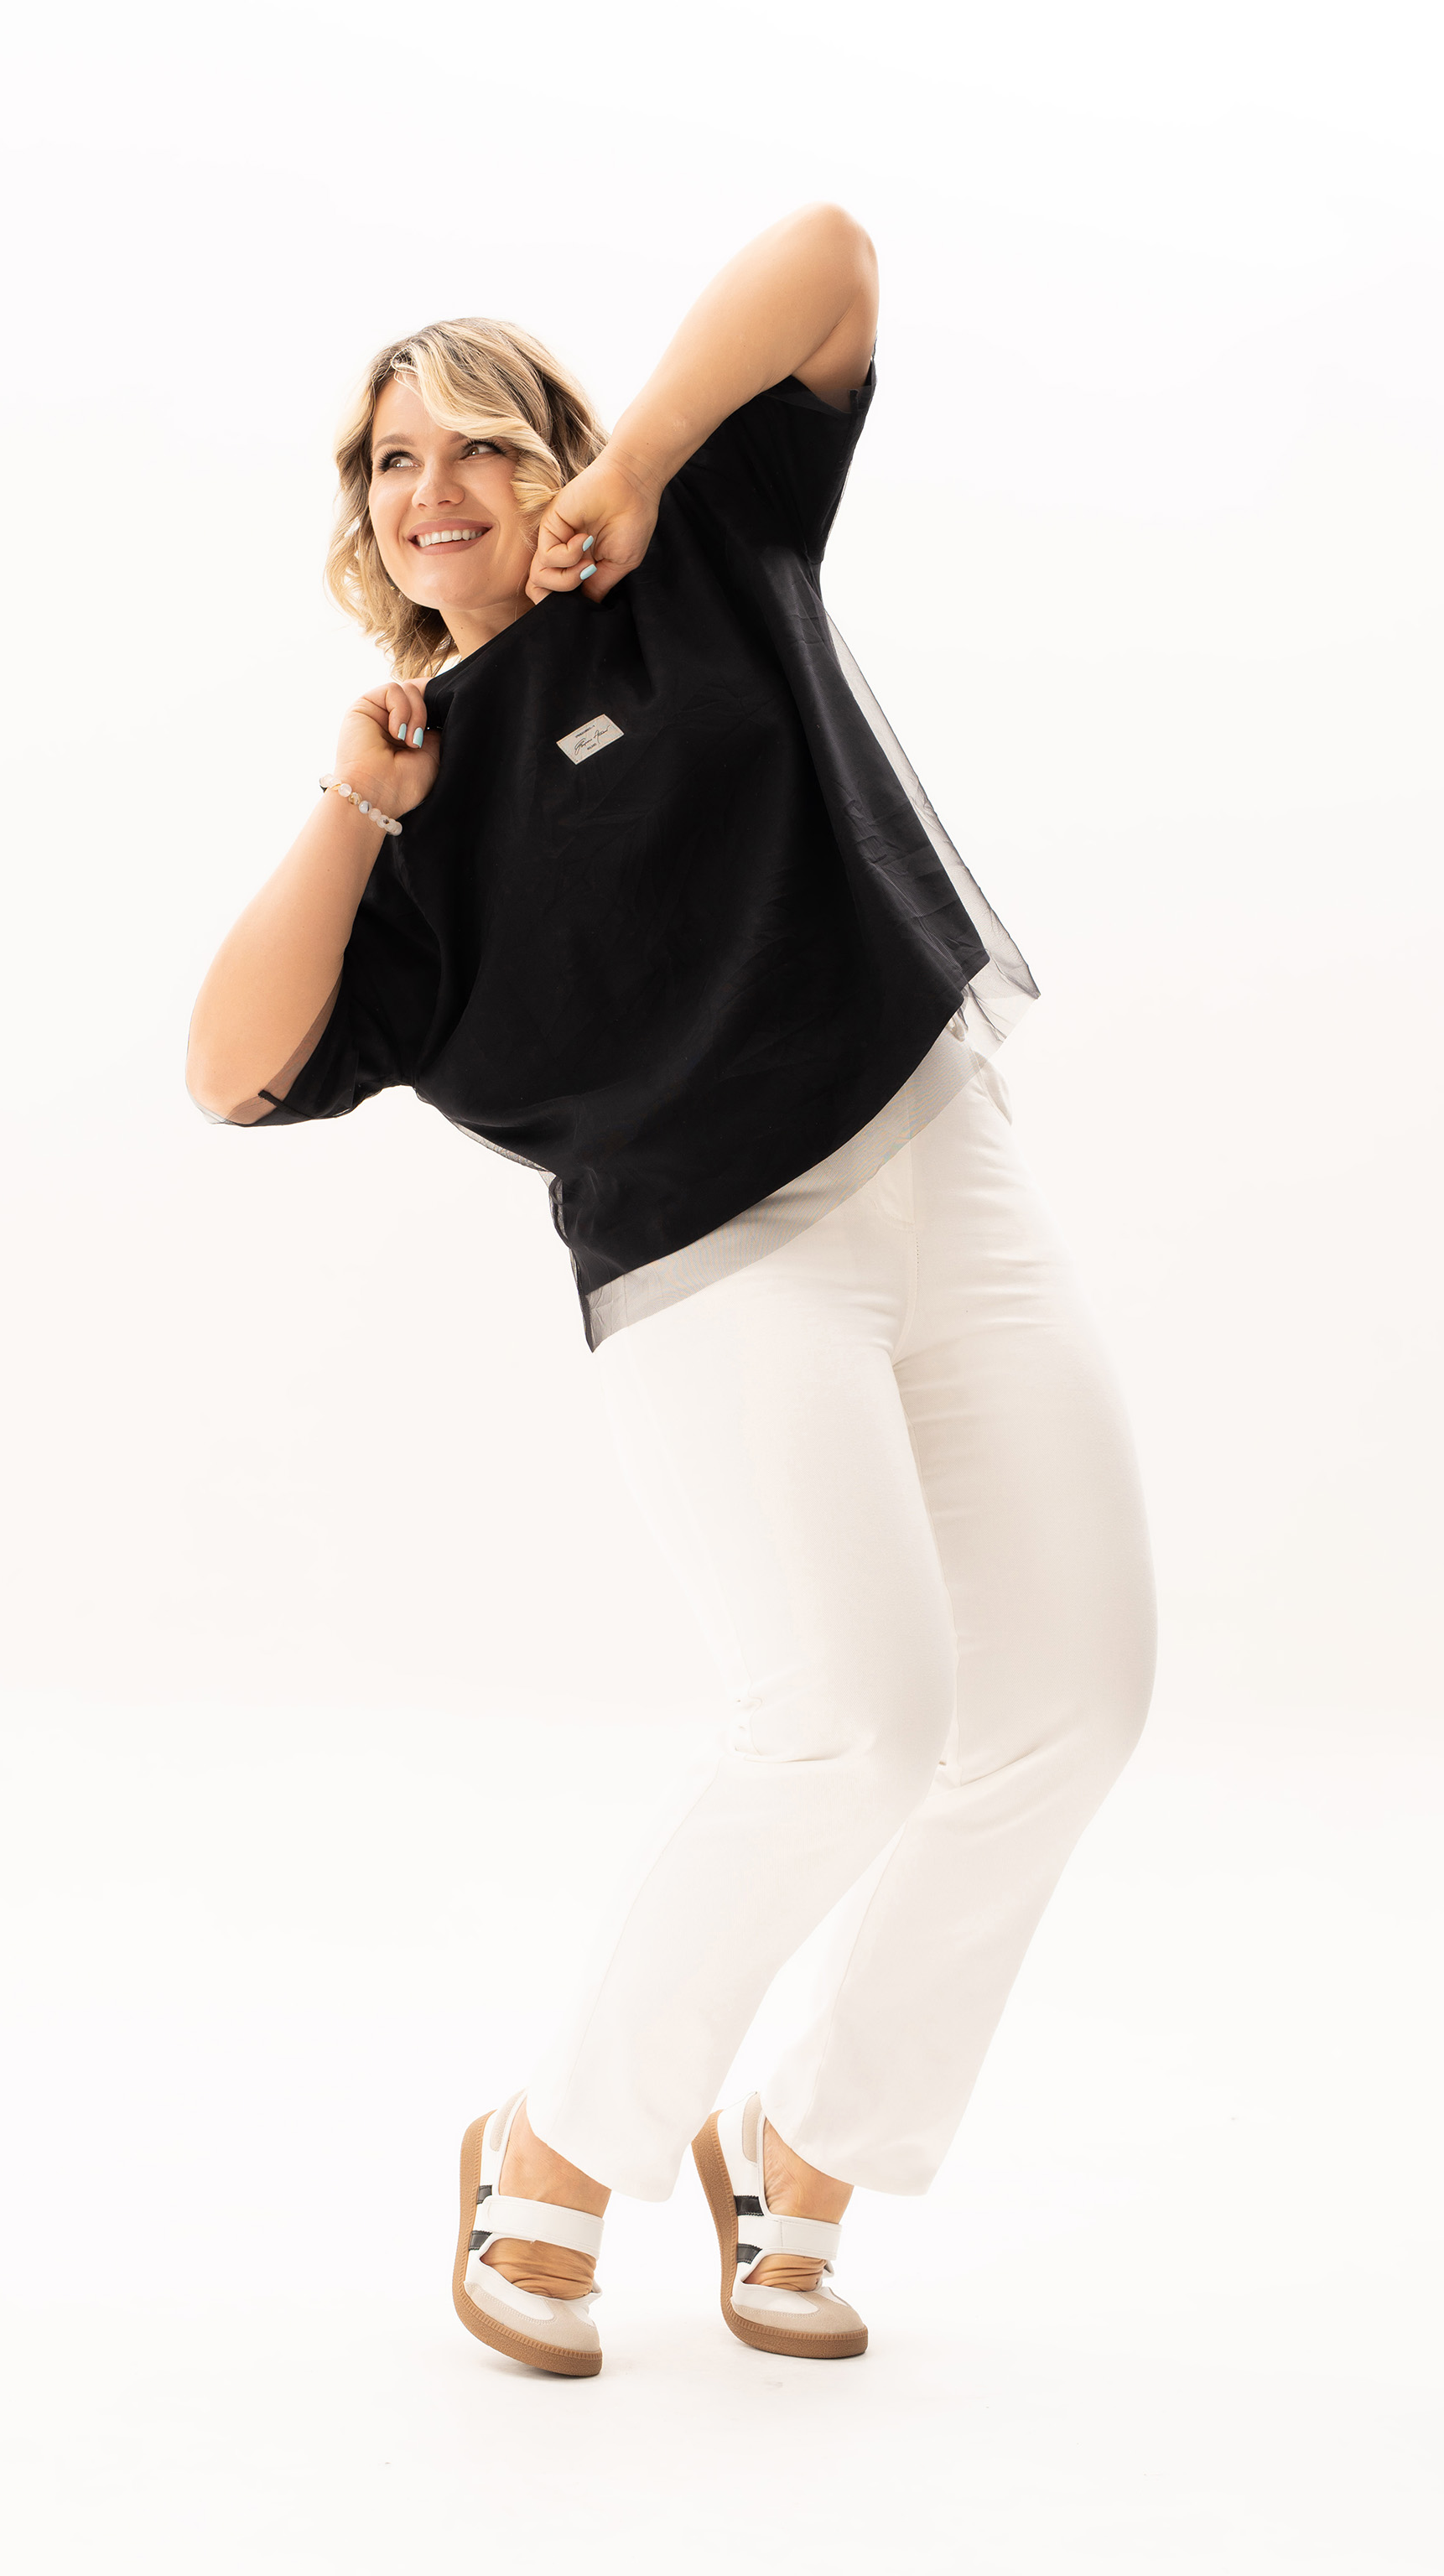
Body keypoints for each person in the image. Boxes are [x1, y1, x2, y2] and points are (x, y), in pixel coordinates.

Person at [186, 205, 1156, 2379]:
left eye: (480, 441)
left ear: (554, 464)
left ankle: (812, 2144)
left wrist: (635, 469)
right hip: (719, 1258)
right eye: (389, 460)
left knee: (1078, 1701)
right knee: (852, 1724)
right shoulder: (416, 792)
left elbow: (829, 259)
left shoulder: (704, 544)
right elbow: (233, 1068)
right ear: (362, 517)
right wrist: (353, 799)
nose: (432, 486)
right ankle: (554, 2144)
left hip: (946, 1168)